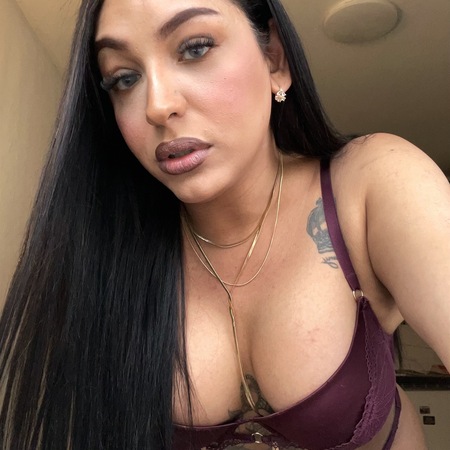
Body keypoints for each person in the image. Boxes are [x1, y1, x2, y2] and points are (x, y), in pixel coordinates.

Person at [1, 0, 449, 449]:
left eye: (195, 48)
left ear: (274, 58)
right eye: (124, 78)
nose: (157, 106)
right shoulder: (112, 256)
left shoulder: (370, 186)